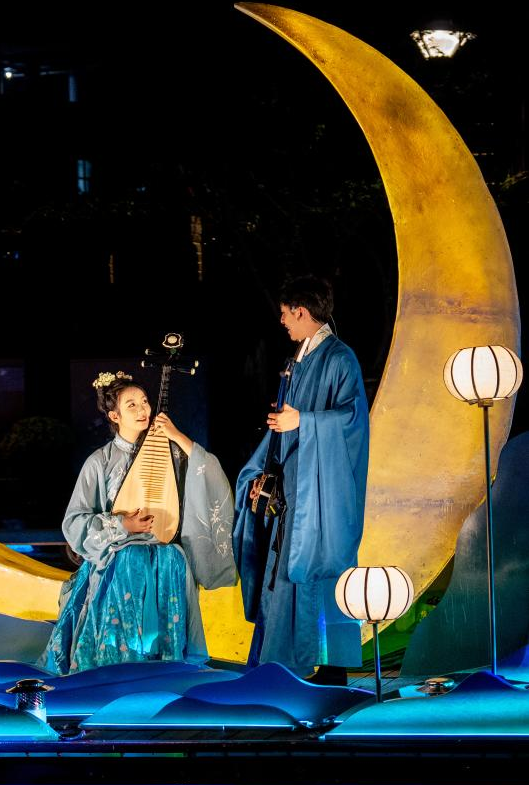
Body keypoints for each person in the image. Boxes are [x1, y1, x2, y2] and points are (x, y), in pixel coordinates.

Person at [40, 371, 237, 674]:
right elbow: (75, 522)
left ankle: (165, 673)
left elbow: (208, 473)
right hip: (119, 560)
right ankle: (116, 673)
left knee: (174, 558)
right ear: (114, 415)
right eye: (131, 405)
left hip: (164, 557)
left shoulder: (172, 453)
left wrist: (177, 436)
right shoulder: (99, 462)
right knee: (130, 562)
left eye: (144, 402)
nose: (143, 409)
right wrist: (122, 526)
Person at [232, 275, 370, 685]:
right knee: (283, 570)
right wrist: (263, 473)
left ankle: (328, 672)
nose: (282, 321)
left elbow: (353, 419)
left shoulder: (340, 358)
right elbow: (282, 426)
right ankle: (284, 672)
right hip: (293, 488)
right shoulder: (297, 360)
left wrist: (304, 421)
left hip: (323, 494)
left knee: (321, 568)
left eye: (284, 314)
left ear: (301, 311)